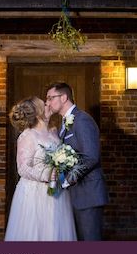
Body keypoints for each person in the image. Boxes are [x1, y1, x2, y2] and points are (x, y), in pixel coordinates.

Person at [4, 96, 77, 241]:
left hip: (56, 191)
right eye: (44, 104)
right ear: (37, 112)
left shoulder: (54, 132)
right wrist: (47, 174)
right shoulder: (28, 135)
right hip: (34, 193)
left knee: (55, 231)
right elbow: (23, 168)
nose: (48, 104)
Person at [46, 82, 109, 241]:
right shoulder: (64, 123)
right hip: (75, 195)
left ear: (64, 97)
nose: (47, 102)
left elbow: (91, 157)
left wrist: (67, 181)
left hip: (88, 193)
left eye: (50, 98)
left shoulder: (82, 120)